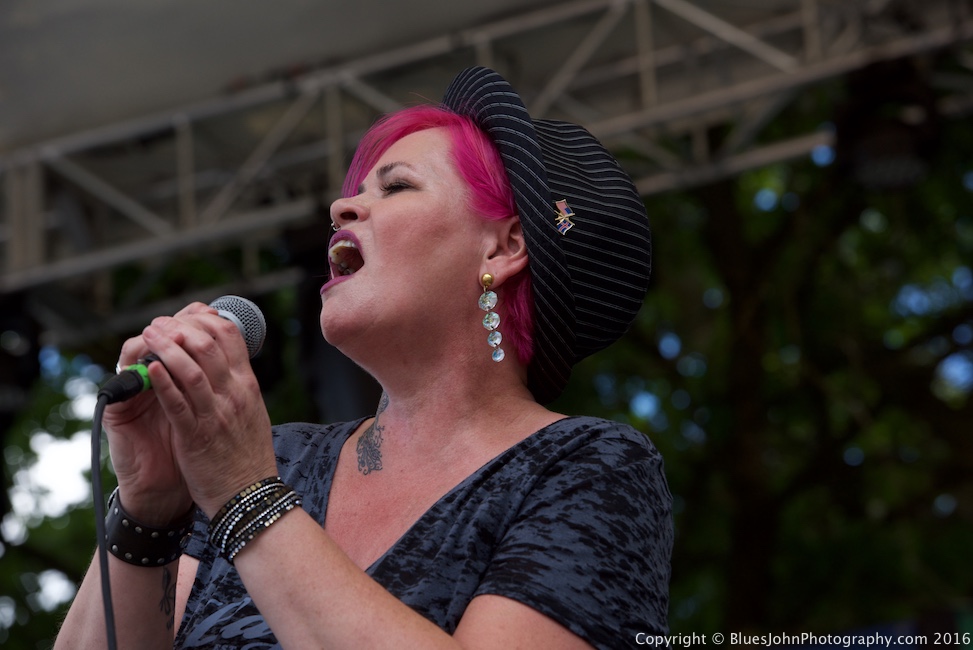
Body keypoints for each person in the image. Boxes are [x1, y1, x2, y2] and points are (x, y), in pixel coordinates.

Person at [54, 66, 672, 650]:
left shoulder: (590, 467)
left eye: (396, 185)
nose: (340, 209)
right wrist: (148, 511)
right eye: (356, 191)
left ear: (505, 246)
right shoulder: (282, 458)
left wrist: (246, 496)